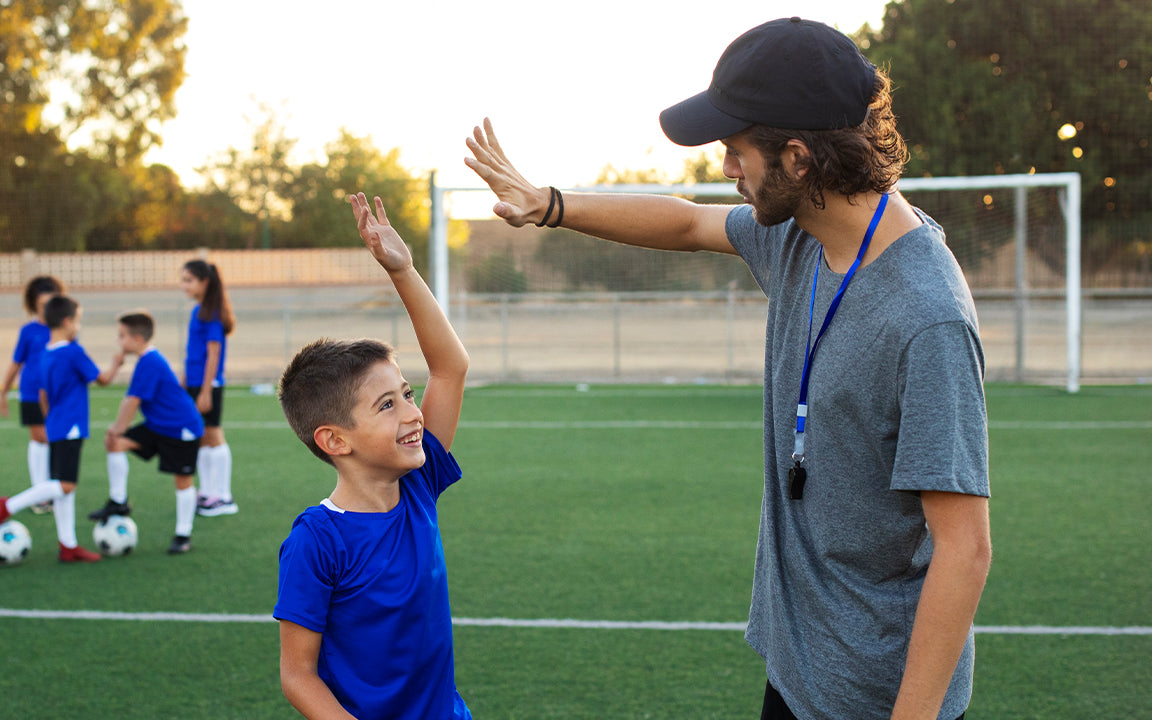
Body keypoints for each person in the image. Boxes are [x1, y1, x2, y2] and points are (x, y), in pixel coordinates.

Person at [464, 17, 991, 720]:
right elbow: (688, 223)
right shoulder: (802, 236)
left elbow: (965, 548)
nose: (724, 169)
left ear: (798, 159)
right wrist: (550, 205)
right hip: (799, 671)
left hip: (874, 696)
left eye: (735, 151)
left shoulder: (926, 317)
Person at [273, 193, 472, 720]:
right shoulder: (317, 540)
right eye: (387, 405)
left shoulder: (418, 486)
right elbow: (297, 674)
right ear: (335, 440)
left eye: (407, 394)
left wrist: (402, 270)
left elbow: (450, 368)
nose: (413, 413)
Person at [0, 294, 123, 563]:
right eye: (78, 321)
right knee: (65, 485)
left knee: (62, 488)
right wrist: (116, 364)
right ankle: (6, 506)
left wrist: (51, 420)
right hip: (71, 426)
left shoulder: (46, 353)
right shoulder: (73, 352)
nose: (78, 327)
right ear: (68, 322)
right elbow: (103, 380)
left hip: (57, 424)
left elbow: (42, 395)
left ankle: (68, 545)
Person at [87, 311, 205, 555]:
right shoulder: (145, 360)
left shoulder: (150, 361)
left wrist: (117, 428)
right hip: (157, 425)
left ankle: (183, 534)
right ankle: (118, 502)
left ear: (138, 339)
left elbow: (132, 401)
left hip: (181, 427)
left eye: (122, 336)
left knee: (182, 480)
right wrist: (117, 433)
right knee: (116, 443)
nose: (118, 341)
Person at [0, 275, 65, 513]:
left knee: (55, 439)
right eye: (41, 304)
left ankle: (51, 489)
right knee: (40, 438)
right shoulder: (28, 331)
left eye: (50, 303)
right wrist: (3, 392)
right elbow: (16, 362)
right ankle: (40, 495)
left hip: (56, 394)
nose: (46, 309)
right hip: (31, 393)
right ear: (34, 304)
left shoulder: (63, 330)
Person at [180, 259, 237, 517]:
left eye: (188, 280)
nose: (184, 285)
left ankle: (224, 497)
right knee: (201, 435)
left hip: (208, 383)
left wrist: (205, 391)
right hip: (194, 381)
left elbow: (213, 354)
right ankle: (207, 492)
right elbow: (193, 352)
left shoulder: (212, 313)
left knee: (213, 434)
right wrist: (185, 380)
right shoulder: (198, 311)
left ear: (204, 282)